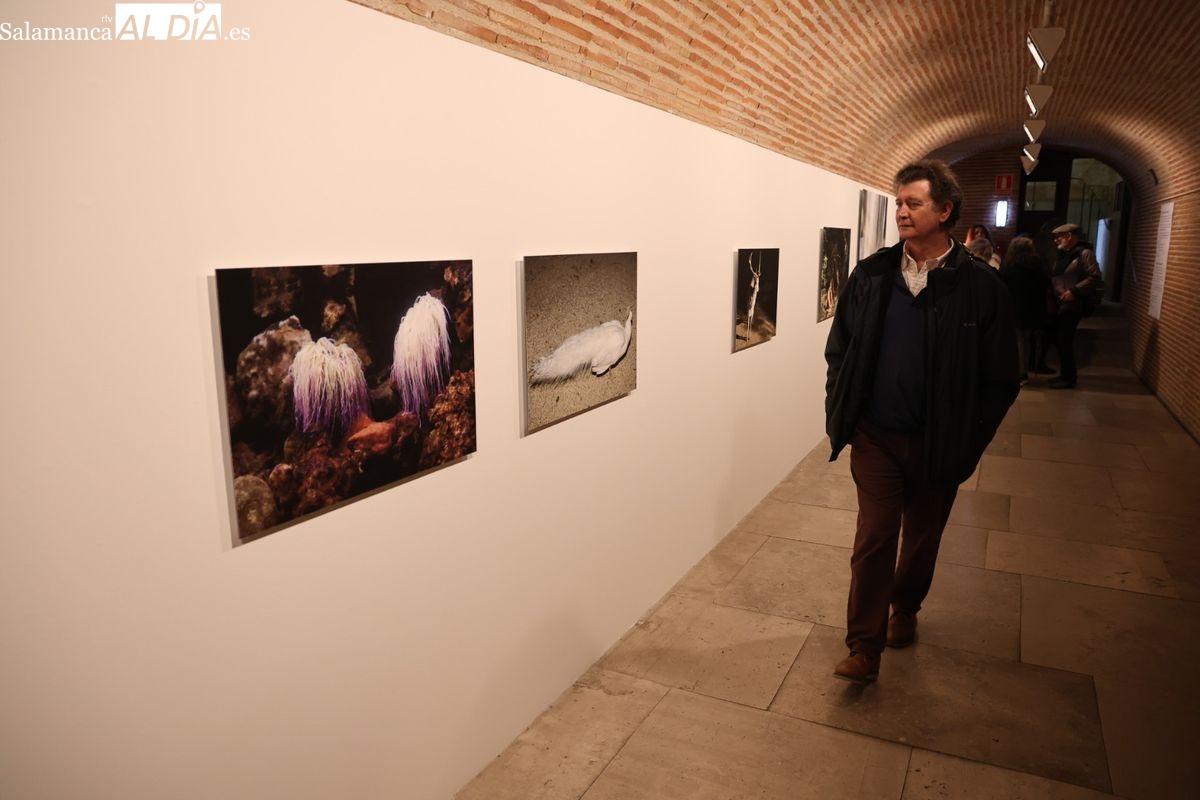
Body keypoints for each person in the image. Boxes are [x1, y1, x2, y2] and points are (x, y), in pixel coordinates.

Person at [824, 160, 1020, 684]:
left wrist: (971, 437)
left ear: (945, 210)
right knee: (874, 536)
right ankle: (864, 647)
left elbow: (1002, 377)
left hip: (940, 440)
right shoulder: (871, 276)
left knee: (921, 536)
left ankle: (905, 606)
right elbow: (840, 350)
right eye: (899, 203)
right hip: (875, 436)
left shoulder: (980, 286)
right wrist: (840, 412)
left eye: (914, 203)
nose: (902, 212)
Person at [1047, 223, 1103, 389]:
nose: (1056, 240)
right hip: (1062, 302)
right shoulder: (1066, 254)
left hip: (1073, 304)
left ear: (1069, 236)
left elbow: (1094, 276)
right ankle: (1066, 374)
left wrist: (1074, 291)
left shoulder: (1084, 254)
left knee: (1064, 340)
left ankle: (1069, 377)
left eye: (1059, 236)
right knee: (1060, 339)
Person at [999, 236, 1051, 384]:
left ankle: (1019, 372)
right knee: (1026, 341)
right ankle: (1023, 371)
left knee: (1017, 341)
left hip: (1013, 309)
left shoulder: (1008, 268)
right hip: (1032, 310)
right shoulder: (1036, 267)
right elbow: (1044, 286)